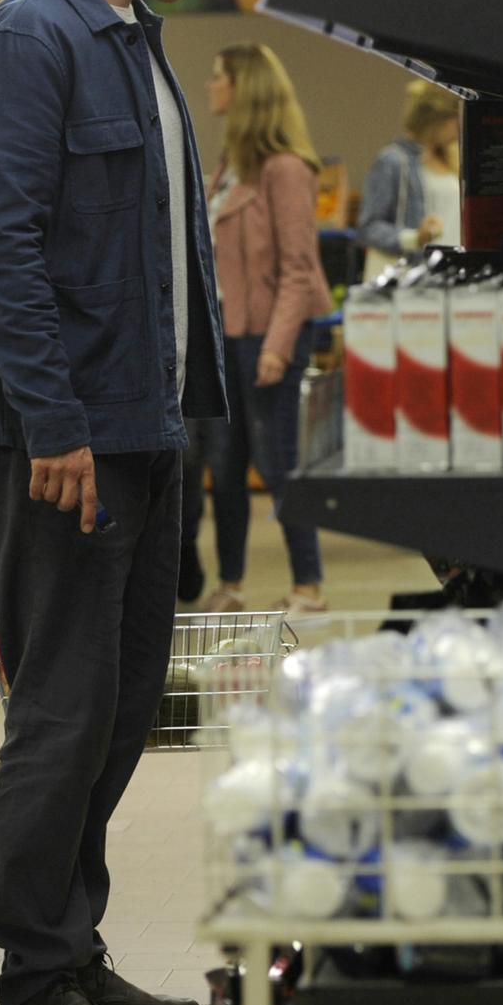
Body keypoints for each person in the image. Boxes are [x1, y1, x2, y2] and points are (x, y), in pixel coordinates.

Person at [0, 0, 268, 1005]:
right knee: (62, 712)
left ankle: (72, 947)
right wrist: (56, 427)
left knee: (128, 707)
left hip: (148, 430)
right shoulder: (28, 43)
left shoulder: (135, 41)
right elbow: (3, 255)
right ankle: (35, 981)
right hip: (69, 445)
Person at [194, 43, 333, 614]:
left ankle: (309, 587)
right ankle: (231, 586)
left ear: (244, 88)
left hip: (271, 338)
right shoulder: (230, 166)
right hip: (226, 338)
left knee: (278, 464)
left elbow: (299, 271)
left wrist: (276, 349)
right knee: (224, 470)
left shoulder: (286, 169)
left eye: (218, 76)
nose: (210, 85)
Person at [356, 79, 462, 278]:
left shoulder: (452, 160)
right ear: (439, 119)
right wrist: (414, 238)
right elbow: (368, 226)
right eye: (455, 119)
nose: (459, 127)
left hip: (449, 274)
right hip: (412, 275)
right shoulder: (393, 161)